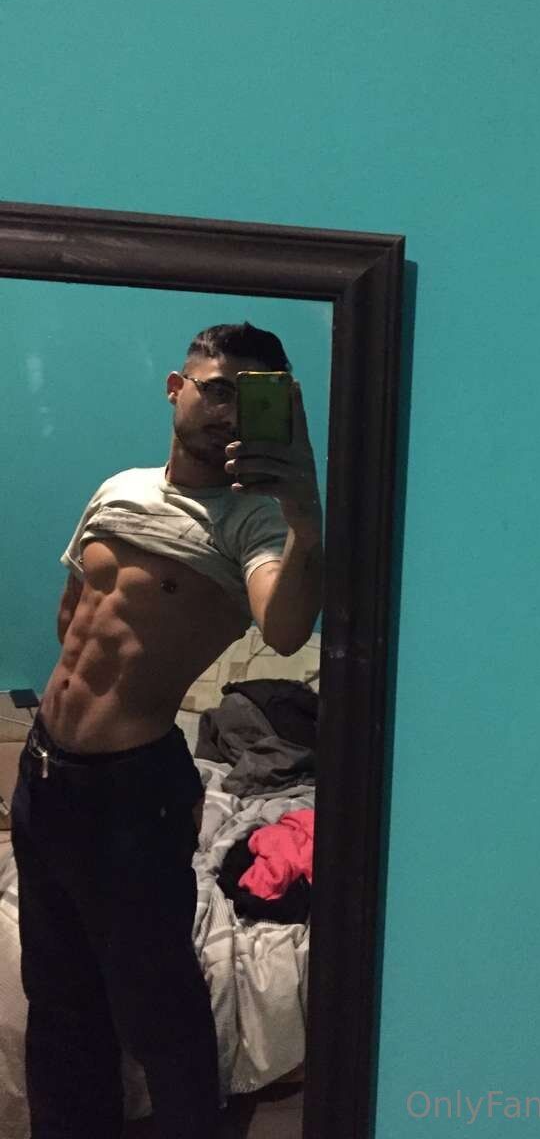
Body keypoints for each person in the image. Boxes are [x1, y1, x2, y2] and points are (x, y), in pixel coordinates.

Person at [10, 321, 324, 1139]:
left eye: (251, 399)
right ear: (175, 389)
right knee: (57, 995)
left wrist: (305, 515)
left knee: (158, 1007)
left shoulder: (254, 524)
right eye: (217, 389)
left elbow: (287, 630)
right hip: (44, 775)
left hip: (131, 791)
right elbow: (72, 616)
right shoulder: (118, 489)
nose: (228, 412)